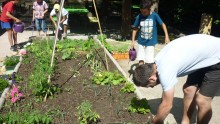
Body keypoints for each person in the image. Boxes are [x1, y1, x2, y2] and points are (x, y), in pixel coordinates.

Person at [132, 34, 220, 124]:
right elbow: (166, 93)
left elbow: (167, 105)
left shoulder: (165, 70)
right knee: (188, 90)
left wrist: (155, 122)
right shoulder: (157, 63)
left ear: (152, 79)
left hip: (217, 57)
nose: (152, 87)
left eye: (149, 86)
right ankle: (186, 122)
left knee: (202, 100)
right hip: (203, 56)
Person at [131, 0, 170, 65]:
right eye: (141, 11)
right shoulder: (139, 16)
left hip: (151, 42)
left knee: (149, 61)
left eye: (145, 12)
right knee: (141, 59)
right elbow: (135, 29)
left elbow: (163, 24)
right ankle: (141, 74)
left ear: (149, 9)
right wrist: (132, 41)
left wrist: (166, 36)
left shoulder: (155, 15)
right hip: (141, 42)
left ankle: (149, 74)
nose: (143, 13)